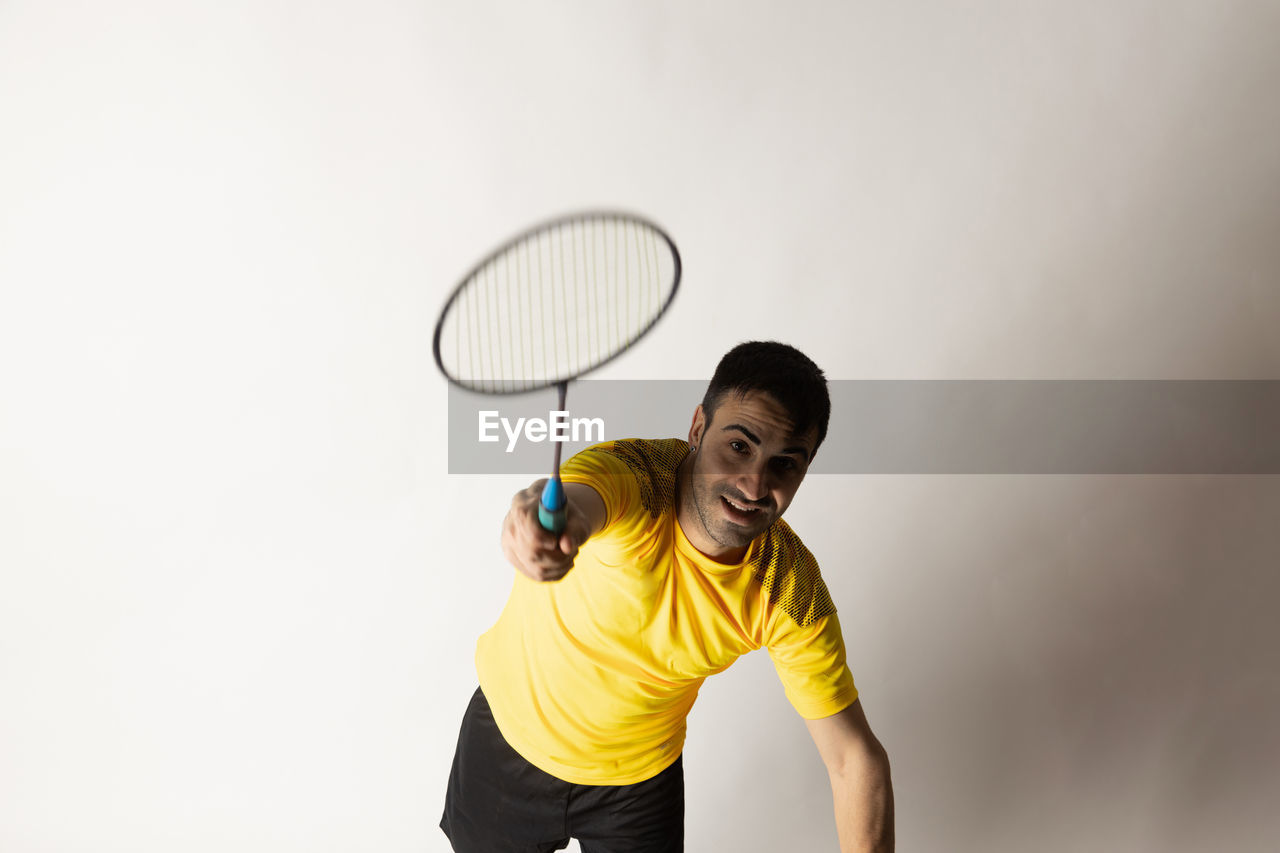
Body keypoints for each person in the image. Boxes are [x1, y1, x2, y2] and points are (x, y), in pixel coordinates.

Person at [441, 341, 894, 852]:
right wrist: (536, 522)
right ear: (698, 427)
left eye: (785, 464)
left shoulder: (788, 590)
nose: (753, 484)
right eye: (739, 446)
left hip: (638, 783)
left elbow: (854, 761)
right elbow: (582, 499)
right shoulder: (633, 475)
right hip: (508, 739)